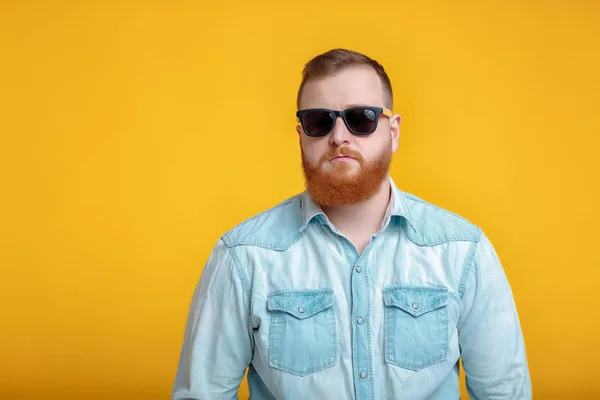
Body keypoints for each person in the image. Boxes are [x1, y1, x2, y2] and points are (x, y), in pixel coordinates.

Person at [171, 49, 531, 400]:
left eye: (361, 118)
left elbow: (504, 392)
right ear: (301, 136)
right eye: (319, 121)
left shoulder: (462, 251)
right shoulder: (243, 257)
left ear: (393, 131)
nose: (339, 136)